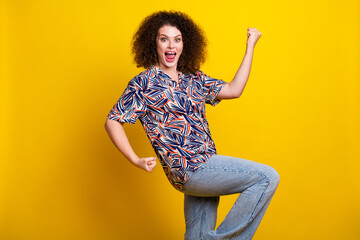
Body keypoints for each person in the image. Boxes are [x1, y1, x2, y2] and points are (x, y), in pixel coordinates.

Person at [105, 10, 280, 240]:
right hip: (191, 168)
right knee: (267, 177)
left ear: (184, 44)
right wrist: (135, 159)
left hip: (205, 168)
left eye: (177, 39)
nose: (171, 45)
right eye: (164, 38)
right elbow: (113, 120)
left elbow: (234, 90)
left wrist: (250, 48)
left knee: (196, 237)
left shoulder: (193, 78)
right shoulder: (144, 83)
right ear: (153, 43)